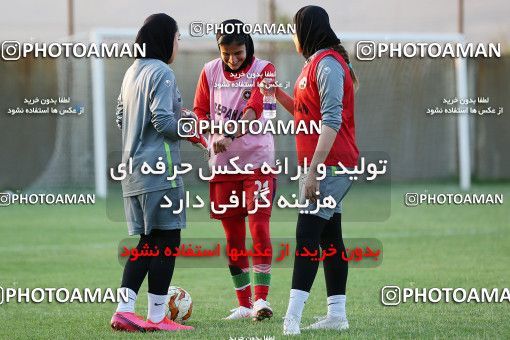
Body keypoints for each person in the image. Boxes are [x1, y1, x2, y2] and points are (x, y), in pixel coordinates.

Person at [265, 6, 359, 335]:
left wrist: (314, 170)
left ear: (305, 30)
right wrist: (275, 93)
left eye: (294, 30)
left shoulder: (329, 64)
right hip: (322, 165)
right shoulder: (312, 65)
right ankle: (337, 315)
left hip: (330, 165)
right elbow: (305, 113)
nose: (292, 36)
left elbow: (331, 122)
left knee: (307, 235)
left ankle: (291, 319)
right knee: (331, 237)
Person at [110, 13, 199, 332]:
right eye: (177, 37)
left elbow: (121, 120)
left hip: (132, 173)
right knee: (168, 240)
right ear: (166, 39)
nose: (178, 43)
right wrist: (193, 127)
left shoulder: (131, 72)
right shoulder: (162, 72)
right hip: (160, 172)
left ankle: (124, 310)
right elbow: (163, 122)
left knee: (148, 242)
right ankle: (158, 317)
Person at [192, 19, 277, 321]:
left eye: (238, 52)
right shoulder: (209, 71)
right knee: (233, 237)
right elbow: (200, 111)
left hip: (258, 163)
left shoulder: (265, 70)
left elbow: (255, 108)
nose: (232, 59)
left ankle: (261, 300)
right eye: (226, 53)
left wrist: (230, 133)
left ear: (248, 46)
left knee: (259, 227)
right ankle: (243, 304)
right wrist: (209, 140)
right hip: (224, 167)